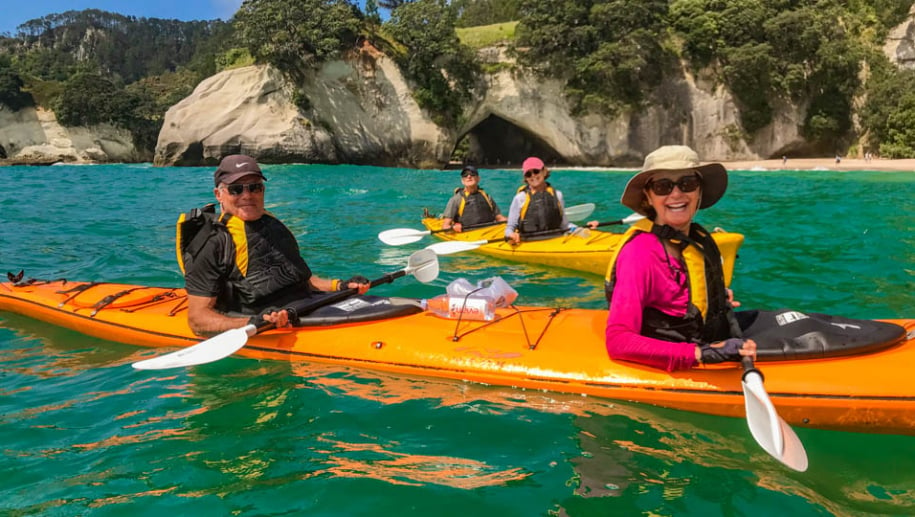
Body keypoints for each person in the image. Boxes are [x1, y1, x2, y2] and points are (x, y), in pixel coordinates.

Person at [602, 145, 756, 371]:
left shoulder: (694, 239)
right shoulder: (640, 254)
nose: (676, 194)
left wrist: (714, 297)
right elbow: (618, 340)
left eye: (687, 183)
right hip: (687, 350)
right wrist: (701, 354)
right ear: (649, 196)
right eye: (662, 186)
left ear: (699, 190)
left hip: (711, 334)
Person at [180, 154, 370, 337]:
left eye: (254, 187)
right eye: (236, 189)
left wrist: (340, 285)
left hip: (307, 306)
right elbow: (198, 320)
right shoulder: (212, 243)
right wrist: (251, 323)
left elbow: (301, 279)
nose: (247, 195)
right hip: (260, 320)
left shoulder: (273, 225)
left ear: (262, 190)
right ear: (219, 195)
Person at [504, 157, 574, 244]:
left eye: (536, 171)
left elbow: (565, 225)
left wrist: (582, 229)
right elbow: (509, 227)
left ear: (544, 172)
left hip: (556, 239)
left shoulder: (558, 195)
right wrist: (511, 234)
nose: (533, 175)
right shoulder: (520, 198)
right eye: (528, 174)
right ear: (526, 178)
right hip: (530, 241)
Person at [441, 165, 507, 232]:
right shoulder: (456, 200)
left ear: (478, 178)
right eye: (465, 175)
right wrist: (453, 227)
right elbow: (445, 226)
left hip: (490, 231)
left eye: (472, 174)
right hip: (468, 233)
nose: (469, 177)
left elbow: (499, 218)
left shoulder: (486, 197)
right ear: (462, 181)